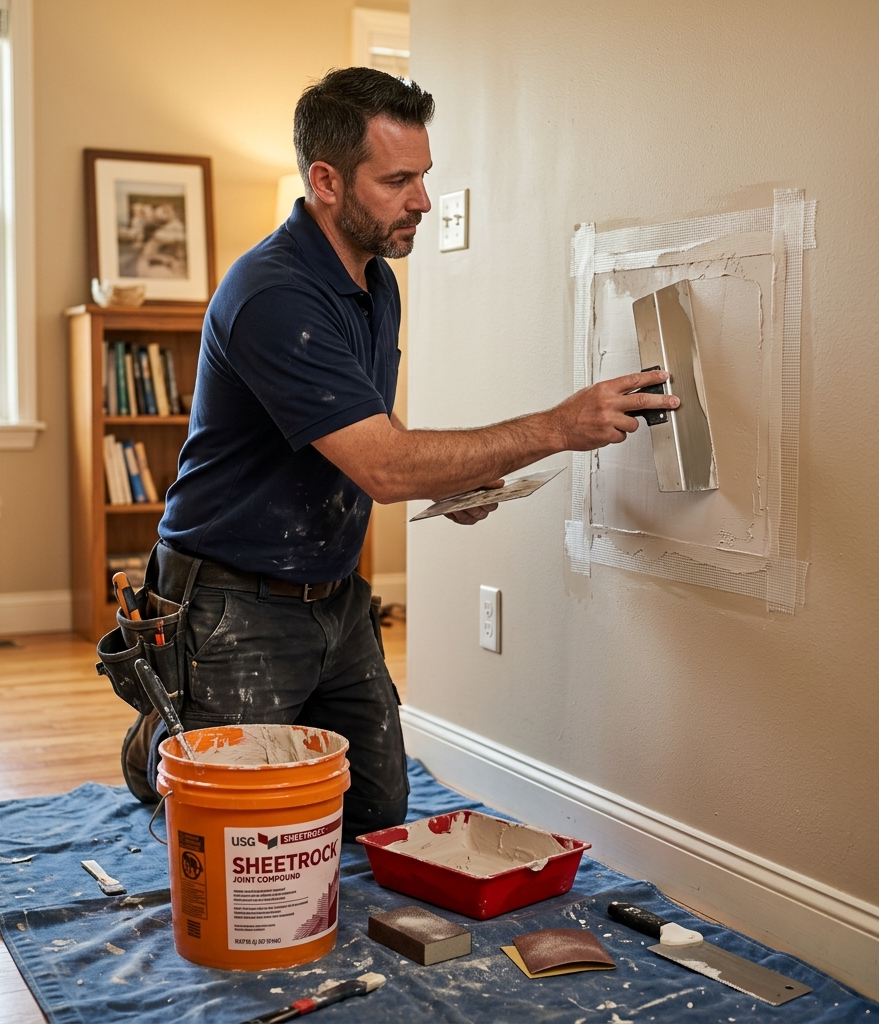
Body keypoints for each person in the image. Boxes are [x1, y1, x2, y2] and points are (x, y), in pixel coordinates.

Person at [123, 67, 677, 840]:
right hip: (230, 602)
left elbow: (361, 442)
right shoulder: (273, 295)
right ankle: (162, 734)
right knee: (236, 831)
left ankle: (195, 728)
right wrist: (557, 426)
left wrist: (461, 478)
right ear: (325, 180)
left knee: (374, 811)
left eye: (424, 176)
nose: (422, 199)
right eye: (398, 180)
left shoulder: (375, 281)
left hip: (334, 596)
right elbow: (384, 467)